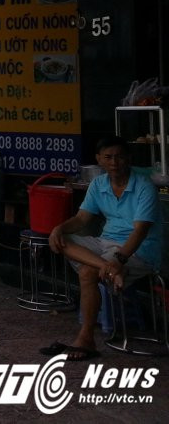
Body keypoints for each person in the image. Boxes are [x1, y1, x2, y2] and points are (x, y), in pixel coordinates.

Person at [43, 136, 163, 361]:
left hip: (139, 250)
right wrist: (58, 228)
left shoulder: (144, 187)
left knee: (87, 272)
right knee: (62, 239)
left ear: (128, 159)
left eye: (119, 157)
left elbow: (140, 232)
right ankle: (107, 267)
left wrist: (120, 258)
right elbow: (81, 219)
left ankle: (86, 338)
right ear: (99, 159)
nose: (114, 162)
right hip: (106, 246)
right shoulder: (99, 184)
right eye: (108, 157)